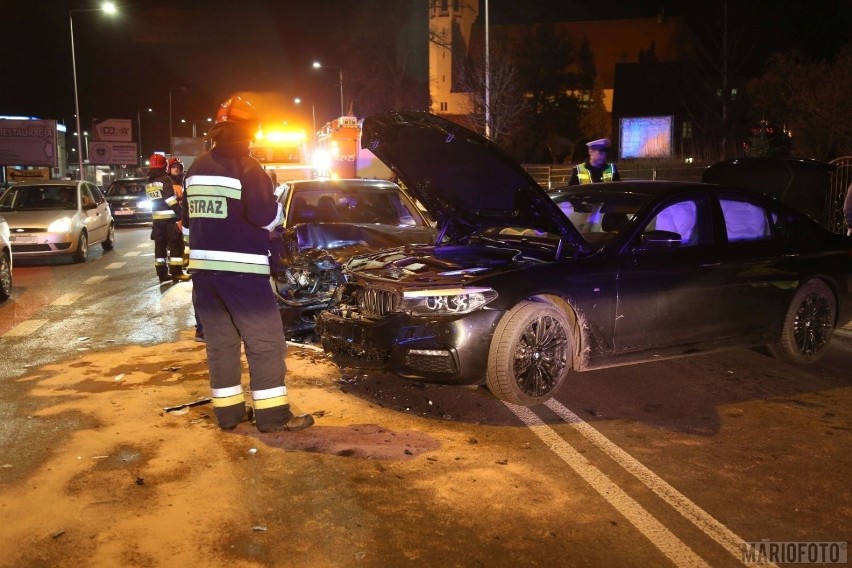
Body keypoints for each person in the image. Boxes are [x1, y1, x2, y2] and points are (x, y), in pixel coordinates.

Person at [182, 96, 314, 433]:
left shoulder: (197, 167)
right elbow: (265, 217)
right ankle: (272, 417)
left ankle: (229, 415)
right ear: (249, 131)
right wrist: (277, 213)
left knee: (221, 346)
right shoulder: (249, 168)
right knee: (266, 343)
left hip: (204, 277)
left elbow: (185, 223)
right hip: (243, 275)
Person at [169, 157, 204, 341]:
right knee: (173, 250)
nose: (176, 170)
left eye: (177, 167)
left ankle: (203, 329)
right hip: (175, 221)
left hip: (184, 223)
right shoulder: (169, 183)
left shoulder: (186, 179)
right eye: (173, 167)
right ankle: (174, 270)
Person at [146, 154, 190, 283]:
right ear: (165, 166)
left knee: (160, 248)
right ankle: (176, 273)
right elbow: (169, 200)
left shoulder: (149, 182)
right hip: (169, 220)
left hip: (157, 221)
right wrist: (181, 213)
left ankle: (162, 274)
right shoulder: (165, 179)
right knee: (176, 245)